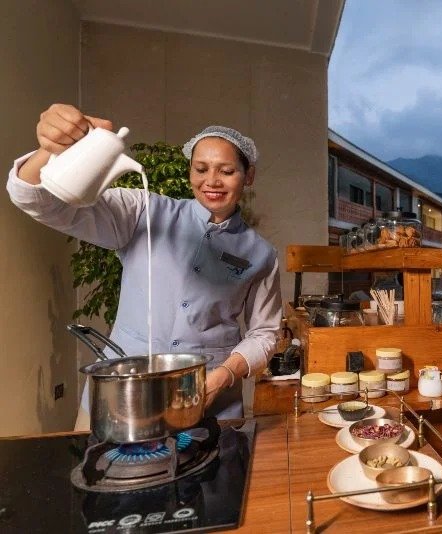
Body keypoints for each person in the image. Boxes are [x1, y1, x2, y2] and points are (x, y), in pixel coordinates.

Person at [7, 103, 282, 423]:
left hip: (208, 399)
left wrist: (221, 377)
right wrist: (50, 149)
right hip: (120, 394)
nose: (212, 181)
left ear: (248, 176)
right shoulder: (141, 211)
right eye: (201, 168)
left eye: (227, 170)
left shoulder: (261, 253)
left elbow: (264, 333)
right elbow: (34, 198)